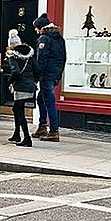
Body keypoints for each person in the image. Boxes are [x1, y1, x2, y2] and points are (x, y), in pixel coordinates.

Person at [32, 13, 67, 142]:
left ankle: (53, 131)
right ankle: (42, 126)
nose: (36, 31)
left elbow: (41, 59)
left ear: (41, 27)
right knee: (41, 99)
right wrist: (58, 75)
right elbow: (63, 58)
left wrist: (37, 75)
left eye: (36, 28)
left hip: (46, 75)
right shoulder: (59, 38)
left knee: (49, 101)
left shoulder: (44, 39)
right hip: (55, 74)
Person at [4, 29, 39, 147]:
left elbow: (16, 72)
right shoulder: (29, 56)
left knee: (19, 112)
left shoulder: (13, 56)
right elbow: (37, 70)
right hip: (29, 86)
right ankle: (16, 133)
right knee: (16, 109)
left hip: (20, 87)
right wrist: (33, 81)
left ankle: (27, 138)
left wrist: (10, 81)